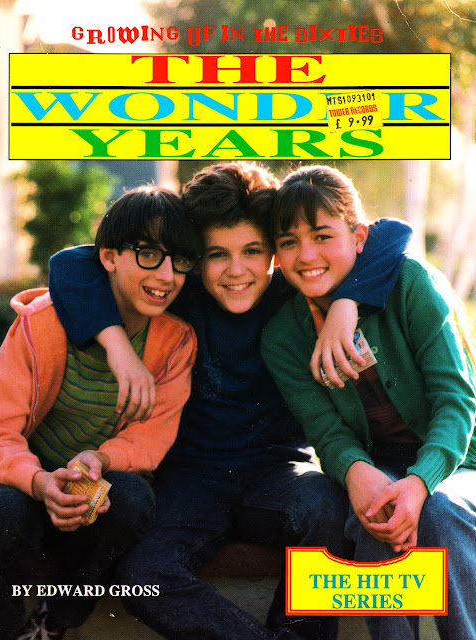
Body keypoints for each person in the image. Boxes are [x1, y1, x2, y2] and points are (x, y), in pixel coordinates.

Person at [46, 162, 412, 640]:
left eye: (253, 251)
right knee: (142, 575)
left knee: (327, 511)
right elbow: (69, 262)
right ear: (195, 257)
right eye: (217, 254)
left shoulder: (294, 290)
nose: (236, 270)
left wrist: (347, 305)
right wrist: (118, 347)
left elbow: (393, 233)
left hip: (279, 471)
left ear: (275, 252)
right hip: (189, 478)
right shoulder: (181, 293)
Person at [261, 165, 476, 640]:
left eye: (322, 236)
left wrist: (420, 482)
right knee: (376, 513)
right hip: (380, 464)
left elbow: (456, 400)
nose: (306, 255)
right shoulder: (283, 335)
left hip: (462, 461)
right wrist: (358, 473)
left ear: (359, 237)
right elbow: (326, 431)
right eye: (289, 242)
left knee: (440, 512)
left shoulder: (412, 283)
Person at [0, 186, 198, 640]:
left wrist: (99, 458)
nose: (167, 275)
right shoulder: (41, 323)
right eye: (148, 254)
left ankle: (53, 624)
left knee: (132, 500)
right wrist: (38, 482)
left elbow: (150, 436)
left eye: (180, 260)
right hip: (24, 485)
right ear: (109, 257)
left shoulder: (175, 341)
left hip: (91, 491)